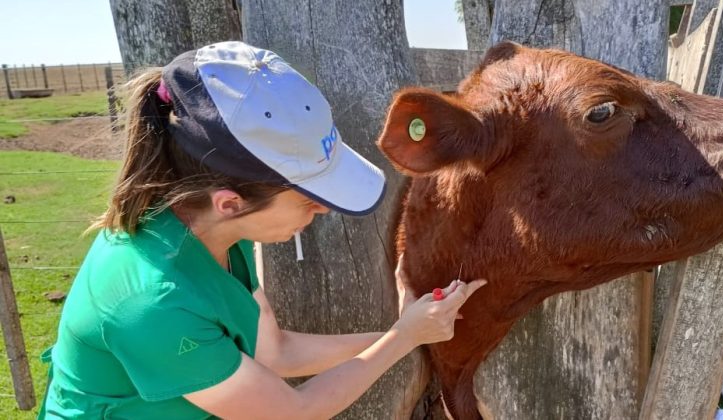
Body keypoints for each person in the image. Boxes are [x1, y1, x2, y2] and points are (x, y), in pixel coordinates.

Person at [39, 41, 486, 419]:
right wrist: (403, 338)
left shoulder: (209, 231)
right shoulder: (152, 302)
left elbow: (274, 352)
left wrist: (408, 332)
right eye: (310, 199)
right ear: (230, 203)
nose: (323, 212)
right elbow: (296, 410)